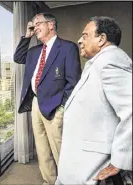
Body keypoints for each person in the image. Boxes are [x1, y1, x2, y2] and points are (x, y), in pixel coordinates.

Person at [55, 16, 132, 185]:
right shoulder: (98, 62)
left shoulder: (110, 61)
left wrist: (120, 160)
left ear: (101, 39)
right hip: (82, 160)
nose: (79, 41)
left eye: (85, 35)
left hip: (92, 166)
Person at [14, 12, 81, 184]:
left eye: (38, 24)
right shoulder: (34, 51)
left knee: (59, 149)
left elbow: (73, 82)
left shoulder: (67, 47)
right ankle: (49, 180)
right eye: (34, 25)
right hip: (36, 102)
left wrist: (62, 107)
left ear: (51, 25)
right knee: (42, 148)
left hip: (55, 105)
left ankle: (67, 181)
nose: (35, 28)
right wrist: (27, 36)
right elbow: (18, 57)